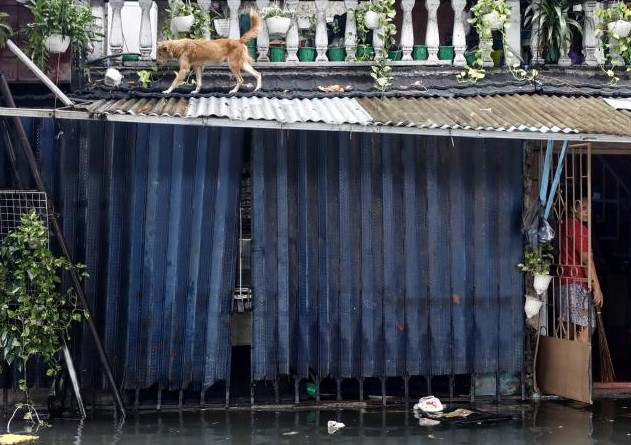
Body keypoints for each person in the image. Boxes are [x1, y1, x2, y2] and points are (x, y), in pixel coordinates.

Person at [558, 195, 603, 343]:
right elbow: (585, 259)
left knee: (569, 328)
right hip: (577, 283)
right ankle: (577, 363)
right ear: (573, 207)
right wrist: (597, 286)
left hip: (563, 282)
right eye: (583, 208)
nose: (587, 212)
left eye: (589, 209)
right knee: (588, 326)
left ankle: (565, 361)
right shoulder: (579, 228)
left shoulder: (562, 224)